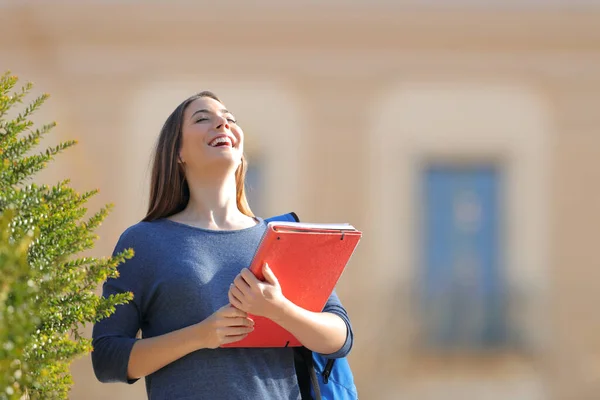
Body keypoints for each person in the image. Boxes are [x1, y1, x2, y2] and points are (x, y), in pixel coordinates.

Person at [91, 91, 354, 400]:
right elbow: (107, 357)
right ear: (177, 152)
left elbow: (341, 337)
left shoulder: (284, 237)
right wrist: (201, 335)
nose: (223, 124)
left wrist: (279, 309)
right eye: (203, 119)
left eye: (230, 119)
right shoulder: (143, 242)